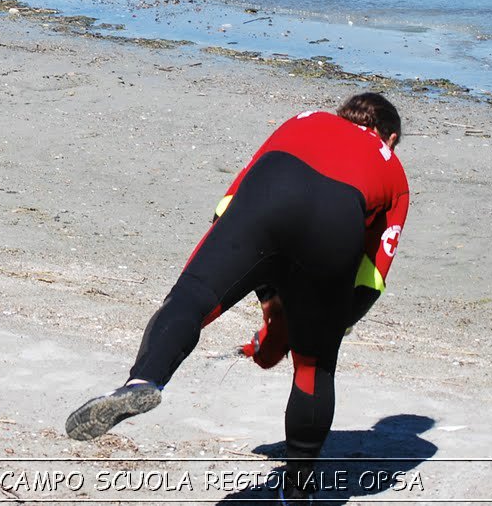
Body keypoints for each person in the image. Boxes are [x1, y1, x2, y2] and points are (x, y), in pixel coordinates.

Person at [66, 93, 410, 503]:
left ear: (343, 115)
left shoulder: (305, 119)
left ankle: (142, 380)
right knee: (315, 367)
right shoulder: (394, 171)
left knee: (189, 301)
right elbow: (371, 276)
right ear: (388, 137)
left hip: (270, 189)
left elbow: (229, 204)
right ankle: (298, 490)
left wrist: (256, 292)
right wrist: (324, 328)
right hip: (337, 219)